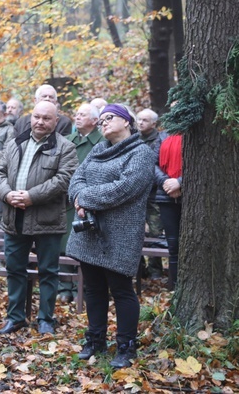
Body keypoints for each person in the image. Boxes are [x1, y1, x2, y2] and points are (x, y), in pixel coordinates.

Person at [66, 103, 156, 369]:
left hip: (121, 233)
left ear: (126, 121)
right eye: (101, 119)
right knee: (93, 288)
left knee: (121, 290)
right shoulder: (99, 149)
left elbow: (125, 188)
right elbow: (77, 178)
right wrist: (78, 195)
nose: (102, 123)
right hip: (90, 230)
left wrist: (85, 197)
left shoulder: (141, 153)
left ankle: (126, 346)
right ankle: (96, 340)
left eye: (109, 118)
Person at [0, 101, 78, 335]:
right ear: (31, 117)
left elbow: (63, 180)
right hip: (14, 217)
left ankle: (45, 319)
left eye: (46, 118)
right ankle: (16, 317)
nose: (40, 122)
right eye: (36, 117)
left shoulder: (65, 147)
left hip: (47, 220)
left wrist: (32, 196)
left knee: (48, 271)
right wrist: (7, 194)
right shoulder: (14, 142)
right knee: (15, 269)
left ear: (56, 120)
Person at [58, 103, 104, 302]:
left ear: (95, 120)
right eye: (76, 114)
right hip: (64, 201)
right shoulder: (67, 140)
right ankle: (63, 288)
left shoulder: (102, 142)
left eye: (82, 115)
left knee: (83, 245)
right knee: (62, 244)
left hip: (88, 202)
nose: (77, 117)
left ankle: (81, 289)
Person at [137, 108, 167, 277]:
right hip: (136, 194)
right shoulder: (133, 139)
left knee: (156, 232)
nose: (140, 123)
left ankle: (155, 270)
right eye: (139, 119)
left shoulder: (161, 140)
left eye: (145, 120)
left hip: (154, 193)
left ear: (154, 123)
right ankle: (138, 269)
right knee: (135, 231)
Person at [155, 133, 182, 290]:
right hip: (166, 197)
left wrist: (180, 182)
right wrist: (166, 182)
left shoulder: (200, 131)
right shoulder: (162, 136)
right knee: (173, 246)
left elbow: (205, 164)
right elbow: (153, 164)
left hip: (192, 196)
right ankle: (175, 291)